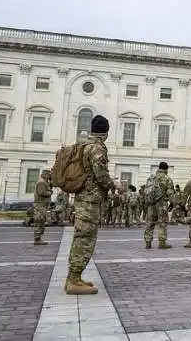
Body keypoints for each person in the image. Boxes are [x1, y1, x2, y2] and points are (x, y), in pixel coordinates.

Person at [66, 115, 116, 295]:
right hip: (90, 200)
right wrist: (113, 185)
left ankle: (75, 277)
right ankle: (73, 279)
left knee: (81, 237)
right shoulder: (96, 148)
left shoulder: (84, 145)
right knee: (85, 238)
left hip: (83, 198)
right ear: (106, 132)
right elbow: (101, 175)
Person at [144, 162, 175, 249]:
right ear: (166, 169)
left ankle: (148, 242)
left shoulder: (150, 178)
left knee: (150, 223)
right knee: (162, 223)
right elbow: (170, 193)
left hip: (151, 204)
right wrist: (172, 203)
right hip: (161, 204)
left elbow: (146, 191)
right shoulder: (167, 178)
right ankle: (162, 243)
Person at [33, 170, 53, 245]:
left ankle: (38, 238)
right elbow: (42, 193)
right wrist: (50, 192)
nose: (50, 176)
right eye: (49, 175)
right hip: (40, 205)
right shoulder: (41, 182)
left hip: (42, 204)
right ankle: (37, 238)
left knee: (41, 221)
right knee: (39, 221)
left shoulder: (45, 182)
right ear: (45, 175)